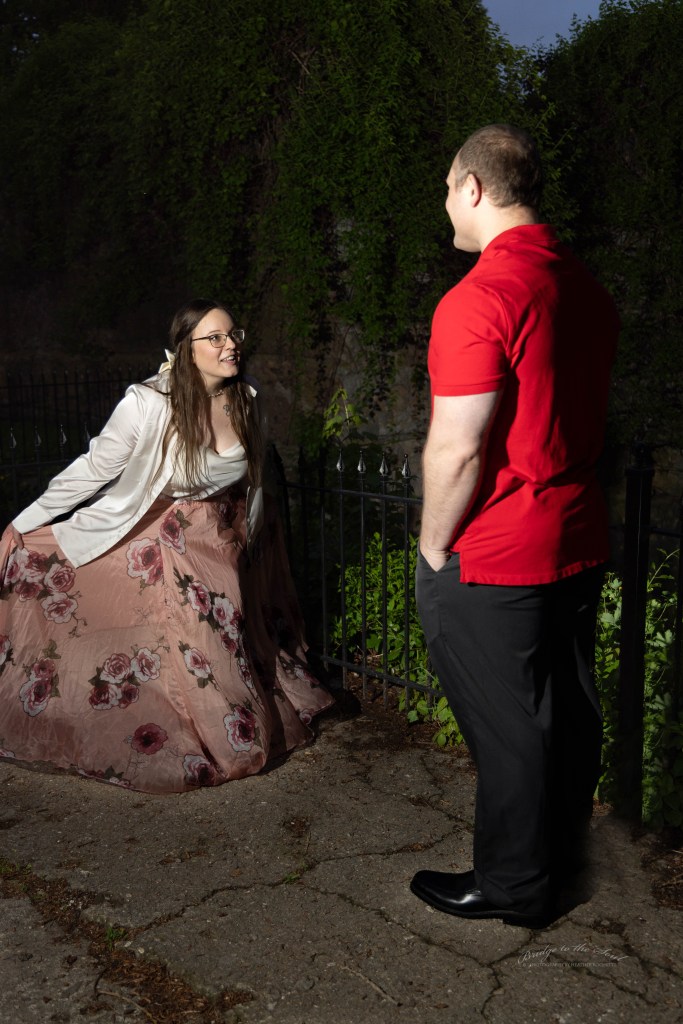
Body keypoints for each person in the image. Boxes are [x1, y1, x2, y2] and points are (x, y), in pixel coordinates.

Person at [411, 125, 619, 927]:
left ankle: (512, 887)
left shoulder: (480, 297)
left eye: (446, 188)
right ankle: (555, 863)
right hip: (576, 532)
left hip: (499, 550)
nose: (444, 205)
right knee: (563, 713)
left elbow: (457, 448)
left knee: (509, 731)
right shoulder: (583, 286)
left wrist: (433, 546)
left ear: (471, 187)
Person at [0, 299, 332, 793]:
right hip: (169, 535)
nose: (231, 345)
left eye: (233, 334)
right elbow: (95, 468)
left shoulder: (247, 398)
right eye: (215, 338)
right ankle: (217, 739)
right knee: (198, 639)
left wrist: (254, 536)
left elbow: (255, 477)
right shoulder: (149, 403)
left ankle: (225, 725)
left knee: (225, 640)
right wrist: (24, 522)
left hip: (224, 536)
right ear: (185, 349)